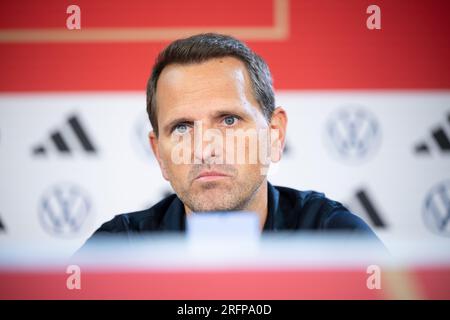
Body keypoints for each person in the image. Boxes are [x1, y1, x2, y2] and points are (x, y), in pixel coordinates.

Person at [79, 33, 380, 250]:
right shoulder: (118, 251)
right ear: (159, 154)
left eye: (229, 120)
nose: (205, 148)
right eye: (182, 127)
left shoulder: (334, 241)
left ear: (274, 134)